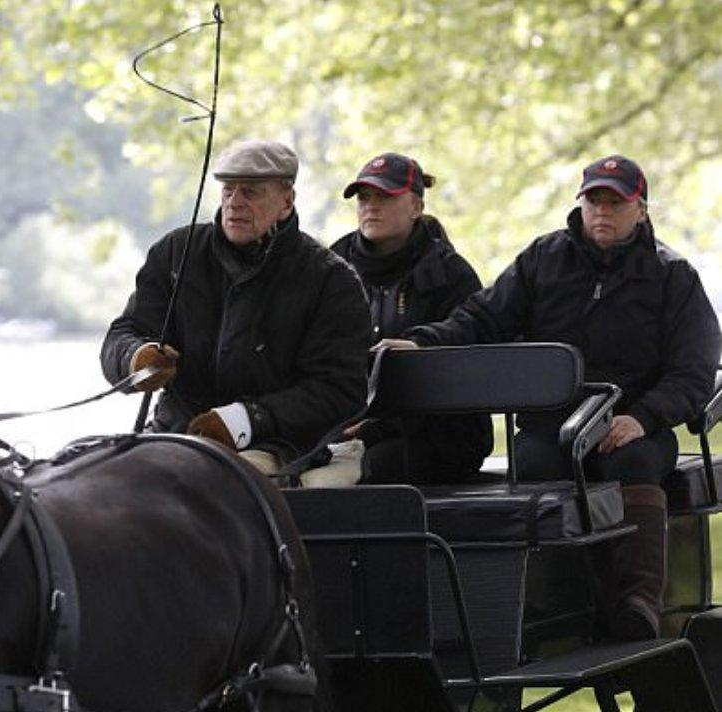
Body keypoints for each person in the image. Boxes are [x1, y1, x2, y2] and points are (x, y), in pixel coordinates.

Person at [377, 155, 722, 640]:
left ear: (641, 209)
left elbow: (693, 371)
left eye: (615, 202)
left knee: (634, 462)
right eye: (593, 200)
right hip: (552, 423)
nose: (602, 211)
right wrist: (422, 342)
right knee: (535, 462)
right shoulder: (543, 259)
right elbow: (483, 318)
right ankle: (559, 610)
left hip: (635, 423)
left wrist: (642, 417)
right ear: (580, 205)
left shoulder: (673, 276)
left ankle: (639, 602)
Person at [101, 139, 371, 474]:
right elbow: (125, 333)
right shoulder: (174, 254)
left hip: (280, 447)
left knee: (215, 484)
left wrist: (247, 418)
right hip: (172, 437)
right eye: (228, 190)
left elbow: (339, 390)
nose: (235, 202)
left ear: (286, 202)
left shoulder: (331, 280)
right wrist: (134, 358)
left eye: (251, 192)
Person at [330, 153, 492, 483]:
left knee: (368, 470)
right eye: (364, 197)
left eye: (385, 197)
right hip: (344, 430)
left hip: (438, 434)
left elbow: (463, 373)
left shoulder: (450, 274)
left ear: (416, 207)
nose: (371, 206)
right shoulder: (332, 265)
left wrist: (377, 430)